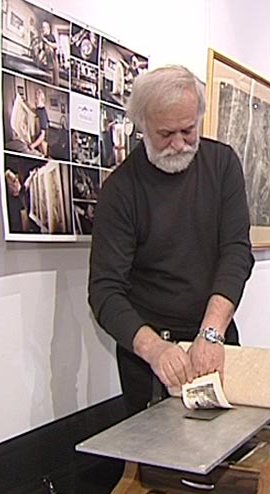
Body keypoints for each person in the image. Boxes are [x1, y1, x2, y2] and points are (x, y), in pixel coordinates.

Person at [88, 65, 254, 415]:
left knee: (227, 443)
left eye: (188, 130)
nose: (178, 144)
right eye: (165, 134)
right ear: (142, 126)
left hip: (215, 336)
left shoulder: (222, 165)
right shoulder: (120, 191)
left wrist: (211, 333)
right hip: (149, 355)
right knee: (155, 450)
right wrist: (154, 349)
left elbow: (236, 253)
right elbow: (104, 291)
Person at [29, 88, 49, 157]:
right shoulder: (38, 109)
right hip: (37, 142)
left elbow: (42, 136)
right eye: (35, 98)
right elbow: (33, 110)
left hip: (41, 145)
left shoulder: (42, 113)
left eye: (37, 98)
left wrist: (33, 145)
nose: (35, 100)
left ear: (41, 98)